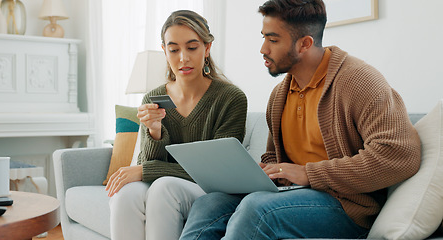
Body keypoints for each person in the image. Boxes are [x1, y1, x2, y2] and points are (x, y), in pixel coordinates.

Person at [179, 0, 422, 239]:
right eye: (263, 37)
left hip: (347, 206)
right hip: (290, 194)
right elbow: (274, 155)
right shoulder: (280, 95)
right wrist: (271, 171)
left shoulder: (359, 81)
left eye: (273, 40)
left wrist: (309, 173)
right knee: (208, 204)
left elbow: (398, 155)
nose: (263, 49)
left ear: (304, 44)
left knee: (258, 210)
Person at [105, 10, 247, 240]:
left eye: (192, 48)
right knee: (124, 194)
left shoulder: (231, 98)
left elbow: (218, 171)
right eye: (173, 50)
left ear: (207, 48)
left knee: (164, 188)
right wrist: (155, 131)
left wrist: (146, 171)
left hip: (208, 190)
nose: (183, 58)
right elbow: (147, 162)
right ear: (165, 51)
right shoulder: (153, 97)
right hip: (166, 181)